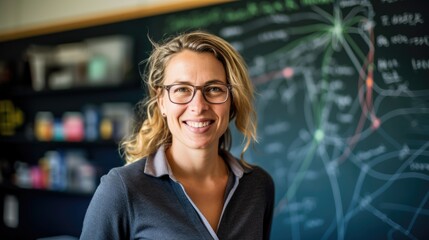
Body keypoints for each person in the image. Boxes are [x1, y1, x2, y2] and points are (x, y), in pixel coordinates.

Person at [80, 31, 274, 240]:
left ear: (232, 100)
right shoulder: (122, 190)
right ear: (161, 100)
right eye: (182, 89)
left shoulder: (258, 186)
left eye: (214, 89)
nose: (198, 106)